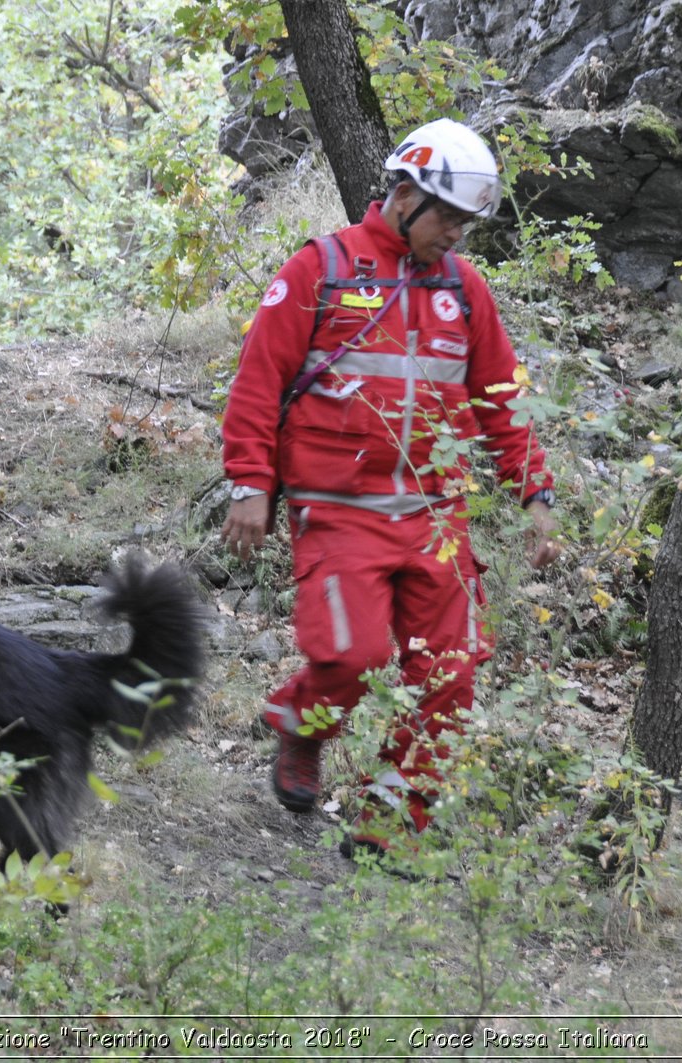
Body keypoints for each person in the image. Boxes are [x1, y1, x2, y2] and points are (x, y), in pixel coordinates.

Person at [219, 118, 563, 858]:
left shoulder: (465, 291)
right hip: (338, 512)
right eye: (448, 217)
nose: (457, 237)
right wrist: (250, 483)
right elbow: (257, 382)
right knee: (351, 653)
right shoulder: (322, 268)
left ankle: (389, 823)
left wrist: (536, 493)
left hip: (435, 518)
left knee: (453, 671)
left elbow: (504, 397)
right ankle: (299, 721)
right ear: (403, 195)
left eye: (468, 224)